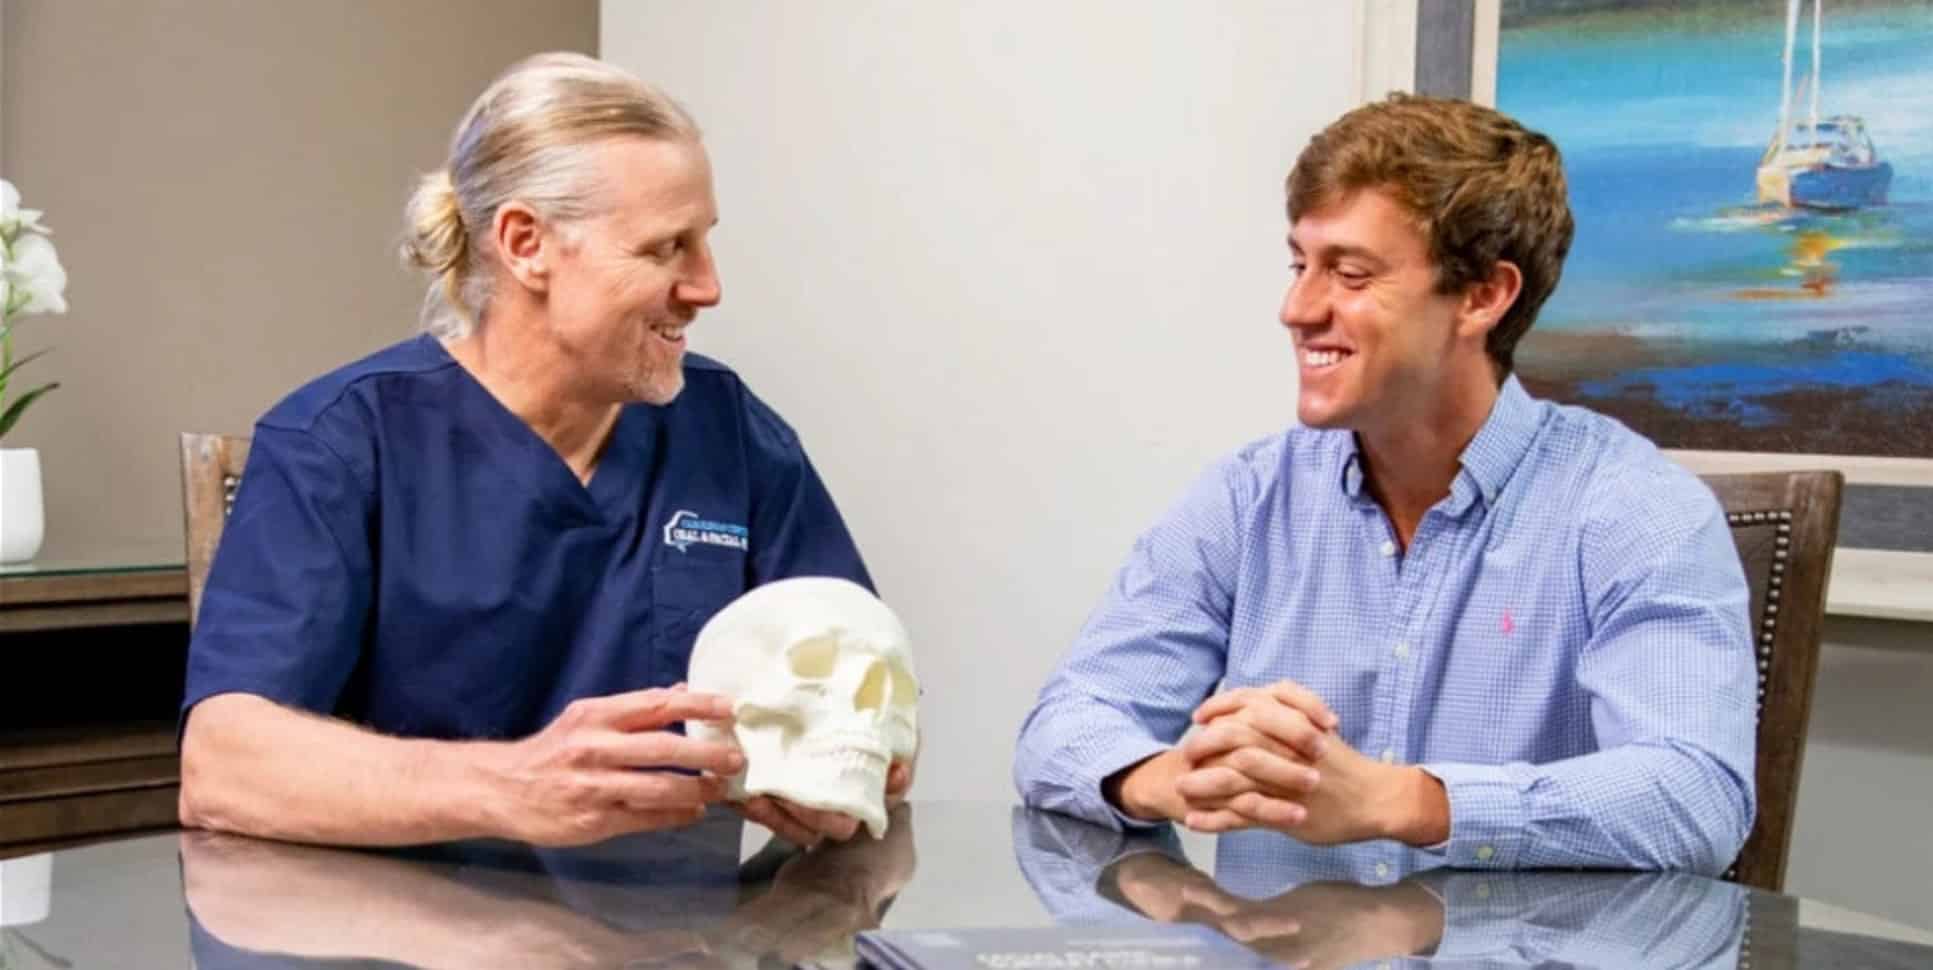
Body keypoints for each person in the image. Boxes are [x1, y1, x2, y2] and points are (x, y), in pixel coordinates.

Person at [179, 53, 908, 849]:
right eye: (667, 248)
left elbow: (864, 673)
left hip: (686, 944)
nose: (708, 286)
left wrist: (860, 760)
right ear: (527, 245)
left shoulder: (731, 433)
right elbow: (225, 767)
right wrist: (511, 786)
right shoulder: (341, 443)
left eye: (705, 242)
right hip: (409, 935)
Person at [1014, 94, 1755, 873]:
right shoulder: (1246, 500)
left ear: (1482, 296)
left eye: (1350, 273)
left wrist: (1402, 802)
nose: (1296, 309)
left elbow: (1694, 797)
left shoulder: (1637, 511)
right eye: (1300, 264)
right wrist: (1174, 777)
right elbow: (1063, 726)